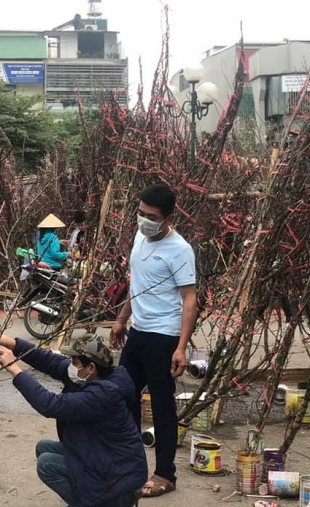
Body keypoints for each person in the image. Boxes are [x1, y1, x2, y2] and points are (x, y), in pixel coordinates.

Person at [0, 324, 147, 507]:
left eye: (74, 362)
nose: (70, 365)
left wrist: (15, 369)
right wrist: (5, 341)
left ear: (91, 368)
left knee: (47, 464)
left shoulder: (102, 395)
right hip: (104, 457)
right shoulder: (97, 376)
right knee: (44, 447)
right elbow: (49, 361)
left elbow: (50, 405)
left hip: (117, 476)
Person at [110, 183, 198, 498]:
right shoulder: (139, 237)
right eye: (140, 213)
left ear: (167, 218)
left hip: (164, 336)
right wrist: (122, 319)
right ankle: (129, 463)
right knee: (123, 396)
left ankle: (165, 474)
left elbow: (190, 299)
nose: (143, 220)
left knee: (162, 406)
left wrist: (181, 347)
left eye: (151, 216)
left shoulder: (180, 250)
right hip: (138, 332)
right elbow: (138, 284)